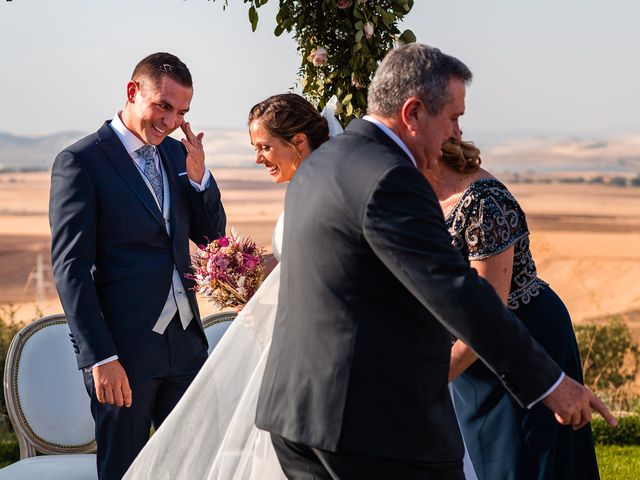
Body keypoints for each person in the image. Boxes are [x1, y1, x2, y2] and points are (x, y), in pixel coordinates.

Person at [255, 43, 615, 480]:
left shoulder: (324, 162)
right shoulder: (391, 179)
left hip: (295, 415)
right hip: (365, 423)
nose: (457, 133)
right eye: (453, 117)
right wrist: (551, 384)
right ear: (413, 113)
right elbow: (456, 291)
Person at [122, 93, 333, 479]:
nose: (258, 159)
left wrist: (261, 303)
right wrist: (240, 273)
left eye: (265, 147)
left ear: (299, 143)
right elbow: (293, 263)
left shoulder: (320, 193)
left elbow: (321, 279)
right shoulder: (306, 189)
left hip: (305, 344)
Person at [49, 52, 226, 480]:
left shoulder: (174, 156)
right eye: (163, 106)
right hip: (122, 353)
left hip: (186, 345)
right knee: (124, 470)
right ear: (133, 92)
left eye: (181, 112)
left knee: (194, 467)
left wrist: (200, 178)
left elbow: (210, 238)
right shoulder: (81, 162)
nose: (170, 121)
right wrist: (100, 357)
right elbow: (71, 269)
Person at [421, 130, 600, 479]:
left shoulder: (485, 202)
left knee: (523, 463)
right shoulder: (413, 197)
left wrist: (430, 382)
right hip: (466, 354)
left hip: (522, 340)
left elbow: (490, 314)